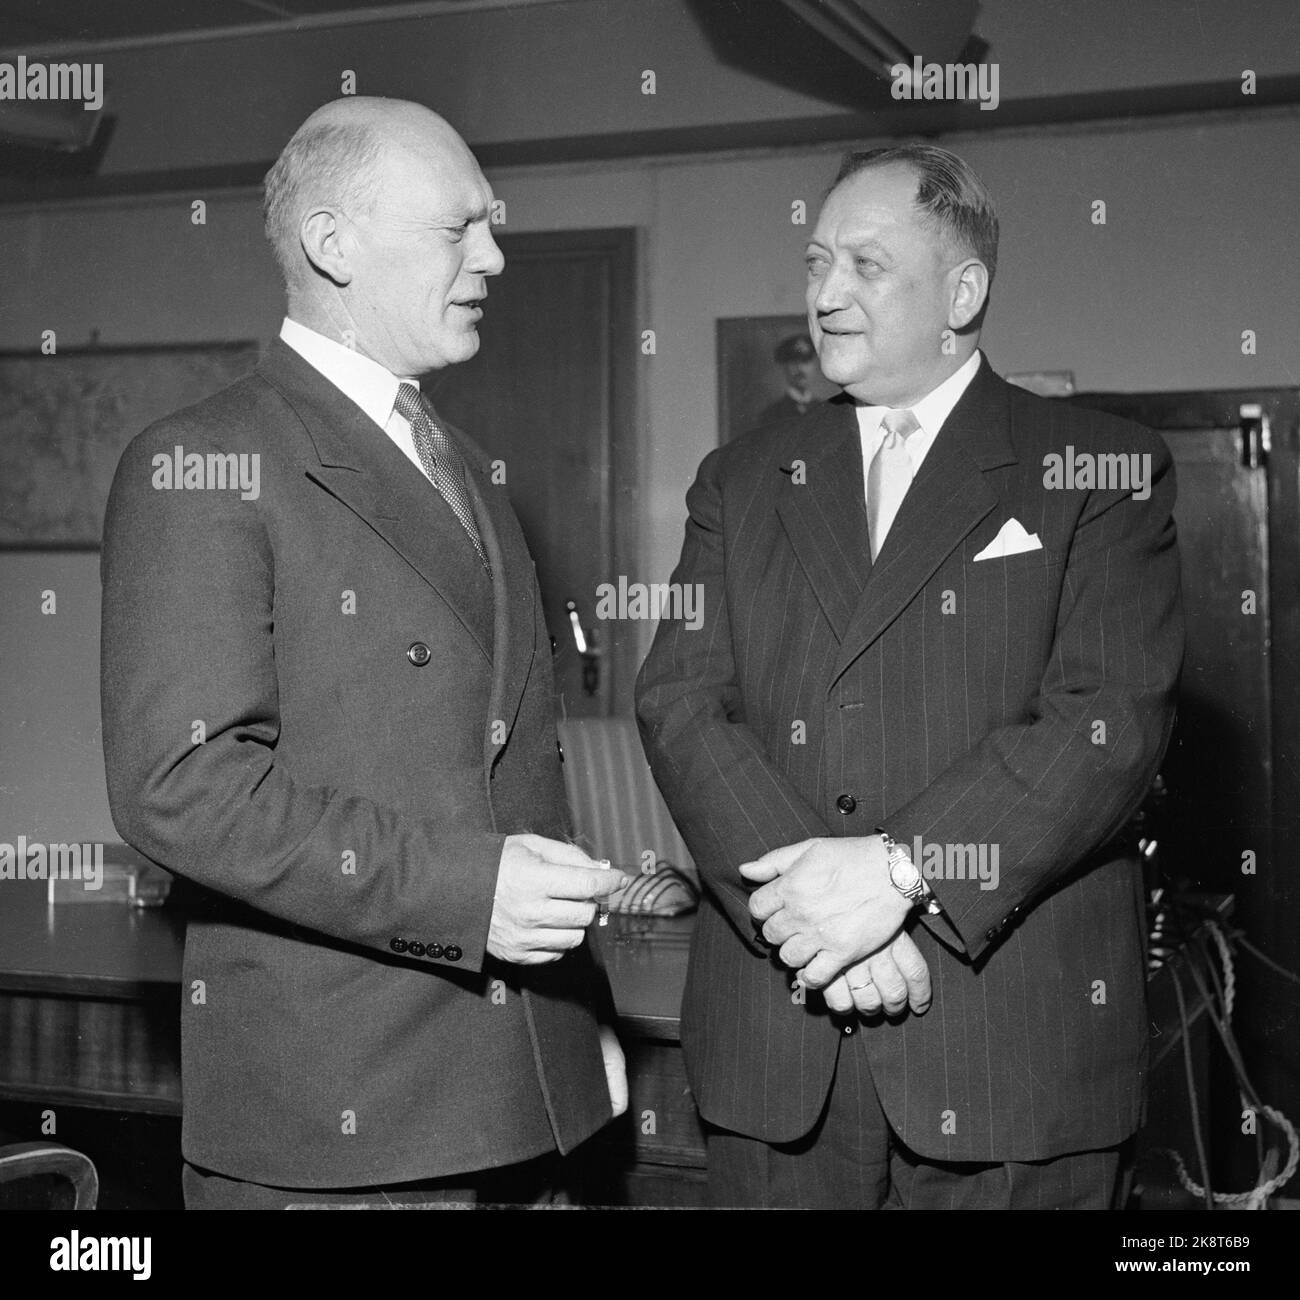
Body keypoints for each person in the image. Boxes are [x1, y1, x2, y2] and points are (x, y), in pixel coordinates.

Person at [100, 97, 629, 1209]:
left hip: (519, 1101)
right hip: (343, 1132)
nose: (494, 252)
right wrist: (467, 893)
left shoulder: (470, 465)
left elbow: (503, 775)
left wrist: (573, 1033)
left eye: (491, 222)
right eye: (458, 229)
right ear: (331, 244)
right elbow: (183, 789)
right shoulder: (205, 461)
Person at [636, 143, 1183, 1209]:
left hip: (1010, 1064)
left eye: (866, 265)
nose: (824, 295)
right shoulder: (741, 478)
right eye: (813, 261)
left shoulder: (1097, 467)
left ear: (962, 292)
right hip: (779, 1056)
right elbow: (681, 702)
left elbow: (1104, 719)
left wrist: (897, 877)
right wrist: (813, 920)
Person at [752, 332, 819, 427]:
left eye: (805, 361)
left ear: (814, 365)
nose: (800, 369)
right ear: (784, 367)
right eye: (794, 363)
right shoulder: (771, 415)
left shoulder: (825, 409)